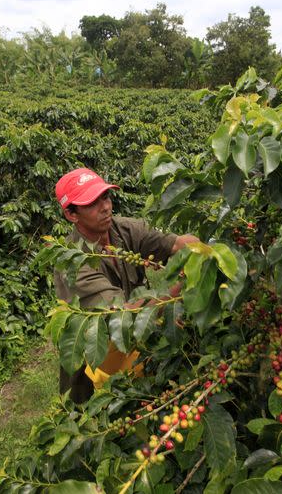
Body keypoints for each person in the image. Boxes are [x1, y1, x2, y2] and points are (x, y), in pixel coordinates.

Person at [53, 167, 199, 403]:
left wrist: (205, 253)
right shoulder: (71, 263)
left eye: (106, 197)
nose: (106, 207)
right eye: (92, 203)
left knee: (139, 396)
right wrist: (180, 285)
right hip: (97, 348)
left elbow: (176, 244)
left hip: (133, 339)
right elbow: (125, 313)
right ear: (72, 215)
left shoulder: (123, 229)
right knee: (94, 408)